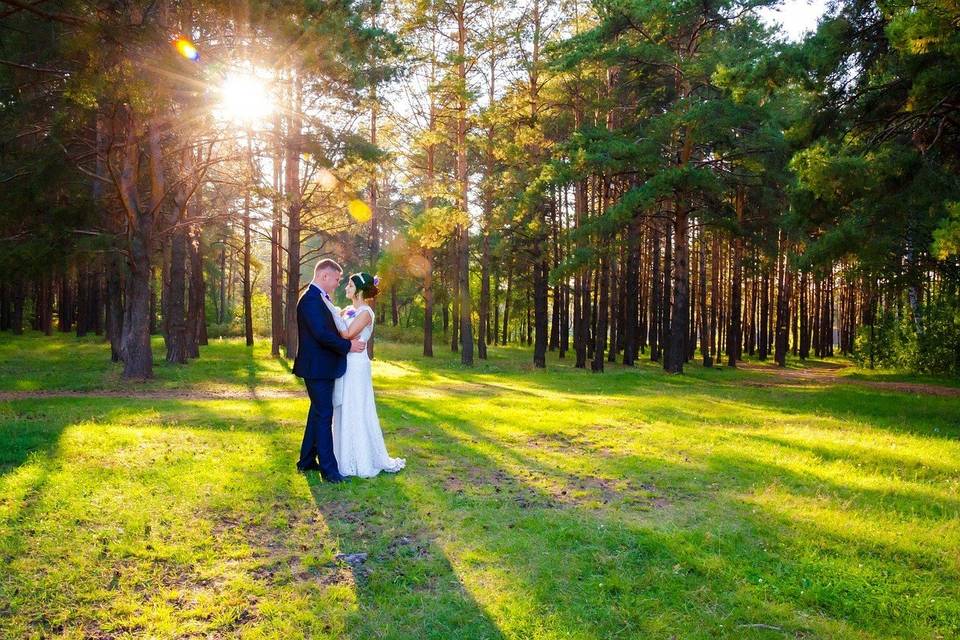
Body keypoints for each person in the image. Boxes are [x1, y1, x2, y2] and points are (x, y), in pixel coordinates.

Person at [292, 259, 367, 482]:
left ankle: (306, 460)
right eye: (335, 279)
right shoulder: (310, 300)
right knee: (325, 415)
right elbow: (321, 334)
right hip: (317, 367)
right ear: (324, 276)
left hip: (322, 366)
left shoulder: (320, 299)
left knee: (317, 413)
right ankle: (330, 471)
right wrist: (348, 346)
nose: (337, 284)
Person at [333, 272, 405, 478]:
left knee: (356, 406)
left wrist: (334, 319)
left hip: (356, 366)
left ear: (359, 291)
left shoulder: (366, 313)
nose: (346, 288)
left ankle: (361, 459)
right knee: (342, 406)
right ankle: (341, 456)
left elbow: (347, 334)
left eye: (349, 285)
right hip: (344, 362)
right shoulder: (347, 309)